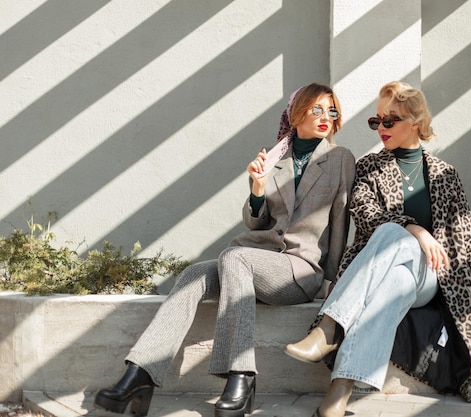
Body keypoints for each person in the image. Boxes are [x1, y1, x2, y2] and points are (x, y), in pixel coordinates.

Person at [93, 83, 356, 417]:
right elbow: (255, 225)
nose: (326, 117)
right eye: (316, 109)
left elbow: (341, 222)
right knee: (193, 275)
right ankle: (139, 375)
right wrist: (258, 189)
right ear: (296, 113)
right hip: (253, 262)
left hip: (299, 271)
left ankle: (241, 374)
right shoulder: (275, 162)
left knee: (233, 257)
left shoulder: (340, 159)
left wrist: (333, 282)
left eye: (331, 111)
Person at [285, 81, 471, 417]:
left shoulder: (444, 175)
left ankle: (330, 326)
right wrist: (415, 228)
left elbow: (468, 234)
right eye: (376, 121)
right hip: (393, 272)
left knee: (398, 236)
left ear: (416, 122)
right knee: (395, 273)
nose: (381, 128)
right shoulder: (368, 168)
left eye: (390, 120)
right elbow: (366, 215)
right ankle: (338, 395)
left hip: (432, 276)